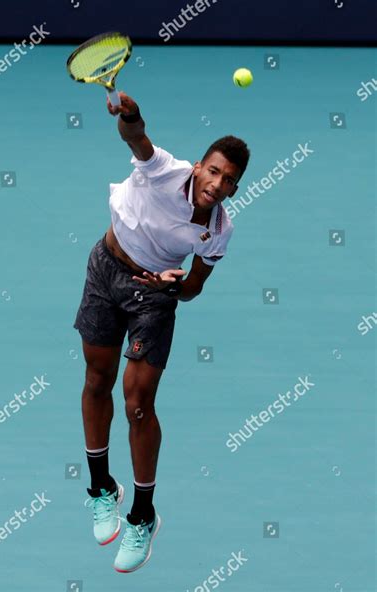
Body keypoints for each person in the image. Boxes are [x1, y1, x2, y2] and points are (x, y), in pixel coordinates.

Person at [74, 91, 250, 573]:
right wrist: (130, 115)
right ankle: (100, 487)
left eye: (229, 180)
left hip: (155, 295)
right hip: (105, 268)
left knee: (137, 403)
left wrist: (176, 285)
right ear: (198, 167)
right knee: (96, 379)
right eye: (213, 171)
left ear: (234, 189)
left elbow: (194, 285)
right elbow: (137, 138)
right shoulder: (163, 169)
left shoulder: (218, 231)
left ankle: (143, 514)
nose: (217, 183)